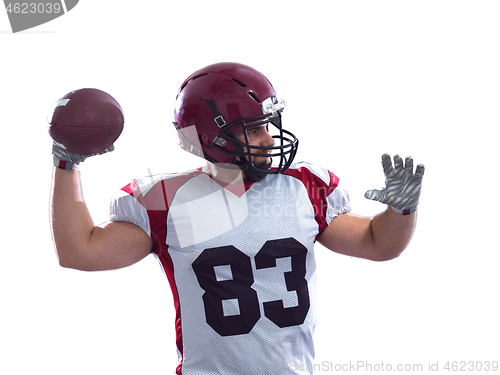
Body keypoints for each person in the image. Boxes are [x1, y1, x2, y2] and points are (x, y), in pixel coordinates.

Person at [50, 62, 424, 374]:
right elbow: (80, 252)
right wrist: (67, 163)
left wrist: (402, 209)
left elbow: (379, 243)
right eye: (255, 129)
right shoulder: (167, 200)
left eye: (269, 123)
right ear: (215, 137)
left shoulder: (303, 187)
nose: (268, 138)